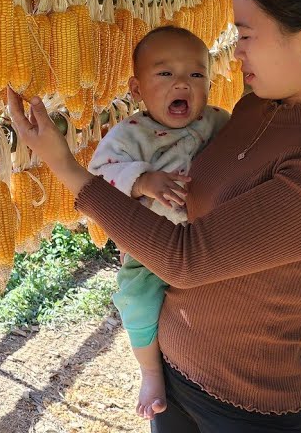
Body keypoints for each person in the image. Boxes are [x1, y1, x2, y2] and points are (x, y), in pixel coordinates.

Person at [7, 0, 301, 433]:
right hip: (177, 377)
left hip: (245, 409)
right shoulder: (257, 108)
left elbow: (188, 259)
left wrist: (68, 169)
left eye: (246, 34)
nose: (236, 49)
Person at [87, 25, 229, 420]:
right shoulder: (130, 135)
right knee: (136, 302)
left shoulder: (218, 122)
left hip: (207, 243)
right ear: (136, 89)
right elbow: (99, 175)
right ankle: (150, 372)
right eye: (165, 74)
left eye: (196, 75)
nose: (182, 83)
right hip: (150, 251)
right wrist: (144, 180)